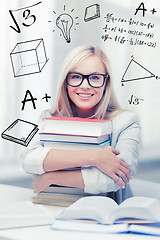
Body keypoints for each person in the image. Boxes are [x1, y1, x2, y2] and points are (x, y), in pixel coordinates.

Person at [21, 45, 141, 204]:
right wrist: (95, 156)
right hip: (55, 207)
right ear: (66, 82)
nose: (85, 85)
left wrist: (51, 177)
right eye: (76, 76)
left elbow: (117, 178)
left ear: (106, 83)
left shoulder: (127, 122)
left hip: (107, 215)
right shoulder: (48, 119)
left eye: (95, 78)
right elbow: (28, 159)